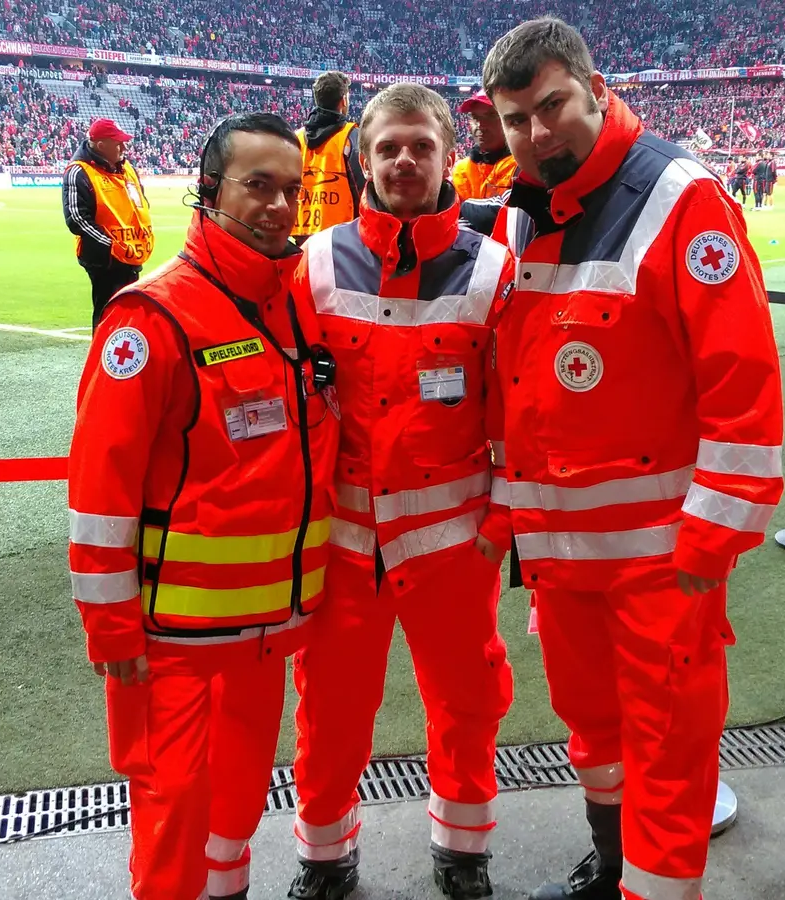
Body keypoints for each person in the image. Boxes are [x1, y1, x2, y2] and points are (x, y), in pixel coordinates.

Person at [463, 18, 785, 900]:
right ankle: (613, 871)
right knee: (594, 733)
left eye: (553, 105)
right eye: (517, 118)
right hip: (563, 561)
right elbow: (522, 380)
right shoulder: (531, 206)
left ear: (598, 92)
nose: (537, 132)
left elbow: (743, 382)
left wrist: (708, 544)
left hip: (659, 562)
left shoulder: (683, 199)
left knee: (669, 752)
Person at [68, 112, 340, 900]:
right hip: (172, 639)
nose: (280, 207)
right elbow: (100, 489)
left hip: (267, 632)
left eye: (292, 189)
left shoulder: (296, 304)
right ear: (211, 191)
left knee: (238, 801)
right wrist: (110, 624)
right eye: (259, 186)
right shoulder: (149, 319)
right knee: (175, 809)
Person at [288, 83, 516, 900]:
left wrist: (499, 523)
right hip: (343, 544)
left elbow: (515, 409)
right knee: (330, 711)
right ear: (363, 157)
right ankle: (323, 856)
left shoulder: (494, 268)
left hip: (454, 546)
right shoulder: (315, 261)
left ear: (450, 153)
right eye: (388, 147)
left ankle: (463, 853)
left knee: (468, 704)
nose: (405, 161)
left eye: (421, 145)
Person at [62, 117, 155, 324]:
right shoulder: (79, 171)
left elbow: (141, 201)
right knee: (108, 316)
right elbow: (77, 219)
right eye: (118, 143)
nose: (124, 147)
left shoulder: (127, 167)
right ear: (101, 145)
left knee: (129, 314)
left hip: (132, 254)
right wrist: (111, 245)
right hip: (105, 261)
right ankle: (102, 346)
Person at [293, 71, 365, 244]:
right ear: (344, 100)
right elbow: (362, 188)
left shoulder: (295, 138)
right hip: (342, 235)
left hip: (301, 233)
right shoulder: (350, 136)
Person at [453, 90, 518, 200]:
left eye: (491, 116)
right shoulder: (462, 170)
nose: (480, 125)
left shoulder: (522, 167)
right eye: (475, 117)